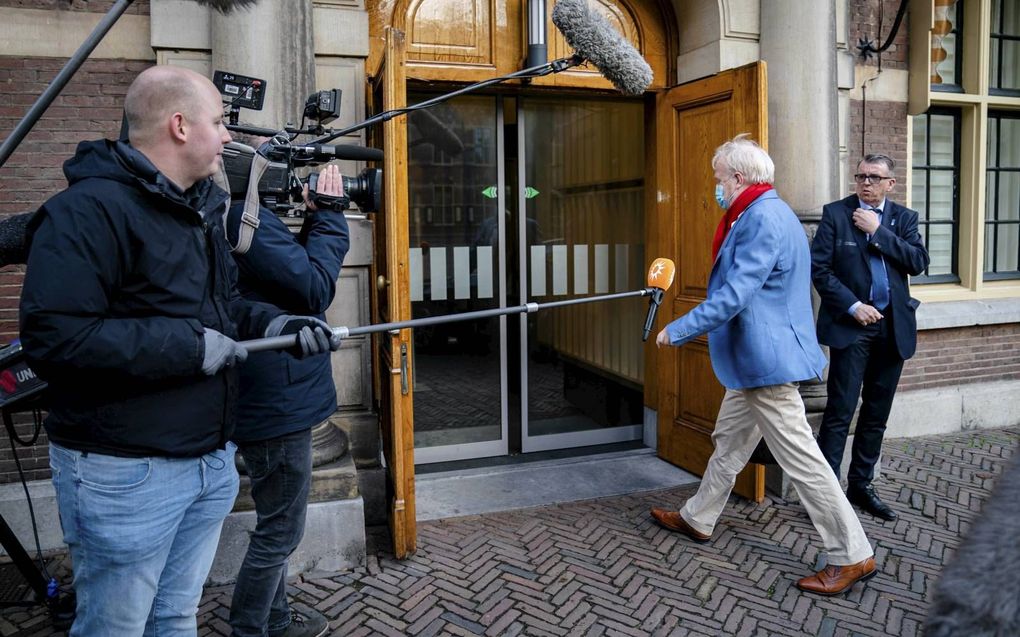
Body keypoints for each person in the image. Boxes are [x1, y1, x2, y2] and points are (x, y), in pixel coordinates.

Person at [18, 65, 339, 636]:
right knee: (116, 627)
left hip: (204, 464)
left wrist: (282, 322)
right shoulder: (86, 212)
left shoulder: (196, 210)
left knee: (174, 617)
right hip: (126, 473)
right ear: (180, 126)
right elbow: (56, 339)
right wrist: (188, 347)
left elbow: (222, 310)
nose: (230, 137)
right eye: (220, 122)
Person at [649, 134, 876, 596]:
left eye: (718, 179)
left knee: (803, 459)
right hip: (754, 360)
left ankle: (852, 554)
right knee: (729, 443)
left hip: (766, 363)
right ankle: (699, 517)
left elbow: (735, 294)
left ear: (736, 178)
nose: (716, 187)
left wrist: (681, 327)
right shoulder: (766, 210)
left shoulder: (762, 219)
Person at [223, 158, 349, 637]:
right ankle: (252, 628)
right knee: (280, 531)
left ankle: (274, 620)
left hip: (270, 398)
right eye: (271, 164)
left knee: (274, 521)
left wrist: (312, 216)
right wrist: (331, 216)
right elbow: (313, 287)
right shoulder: (244, 218)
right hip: (278, 406)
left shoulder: (239, 217)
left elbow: (285, 281)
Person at [811, 154, 929, 522]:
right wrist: (852, 306)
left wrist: (878, 232)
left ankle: (860, 486)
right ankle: (827, 496)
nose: (865, 183)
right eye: (861, 176)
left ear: (890, 184)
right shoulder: (835, 214)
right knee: (839, 411)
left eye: (875, 177)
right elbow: (820, 269)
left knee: (876, 413)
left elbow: (918, 261)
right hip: (852, 327)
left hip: (893, 328)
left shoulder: (904, 219)